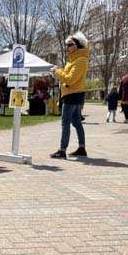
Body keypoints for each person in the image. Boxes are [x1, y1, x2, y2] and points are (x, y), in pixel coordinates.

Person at [50, 31, 90, 159]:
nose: (66, 47)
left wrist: (57, 72)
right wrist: (59, 71)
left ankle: (62, 150)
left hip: (72, 96)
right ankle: (81, 148)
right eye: (66, 44)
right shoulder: (74, 60)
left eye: (69, 44)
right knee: (76, 122)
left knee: (65, 123)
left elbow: (70, 79)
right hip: (73, 95)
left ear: (77, 45)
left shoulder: (81, 60)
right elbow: (67, 76)